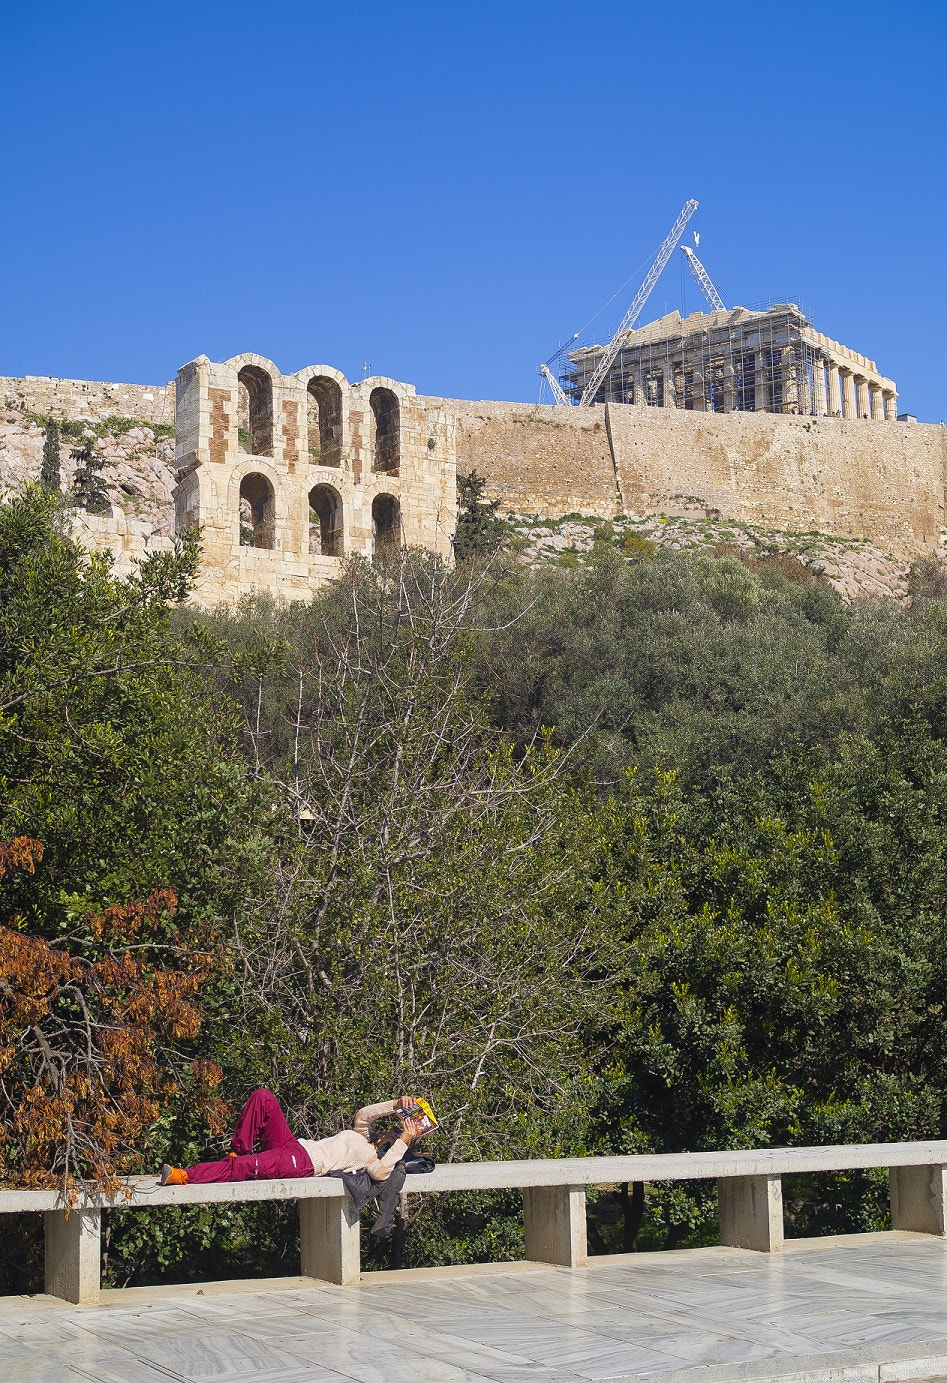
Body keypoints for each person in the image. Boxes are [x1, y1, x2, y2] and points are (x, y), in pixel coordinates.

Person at [160, 1088, 425, 1186]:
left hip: (302, 1164)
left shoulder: (369, 1159)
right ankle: (237, 1152)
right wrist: (395, 1104)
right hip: (294, 1146)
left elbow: (380, 1173)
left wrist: (404, 1141)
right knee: (263, 1098)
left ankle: (182, 1176)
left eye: (394, 1137)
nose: (392, 1133)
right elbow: (364, 1115)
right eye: (393, 1131)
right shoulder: (362, 1137)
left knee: (244, 1169)